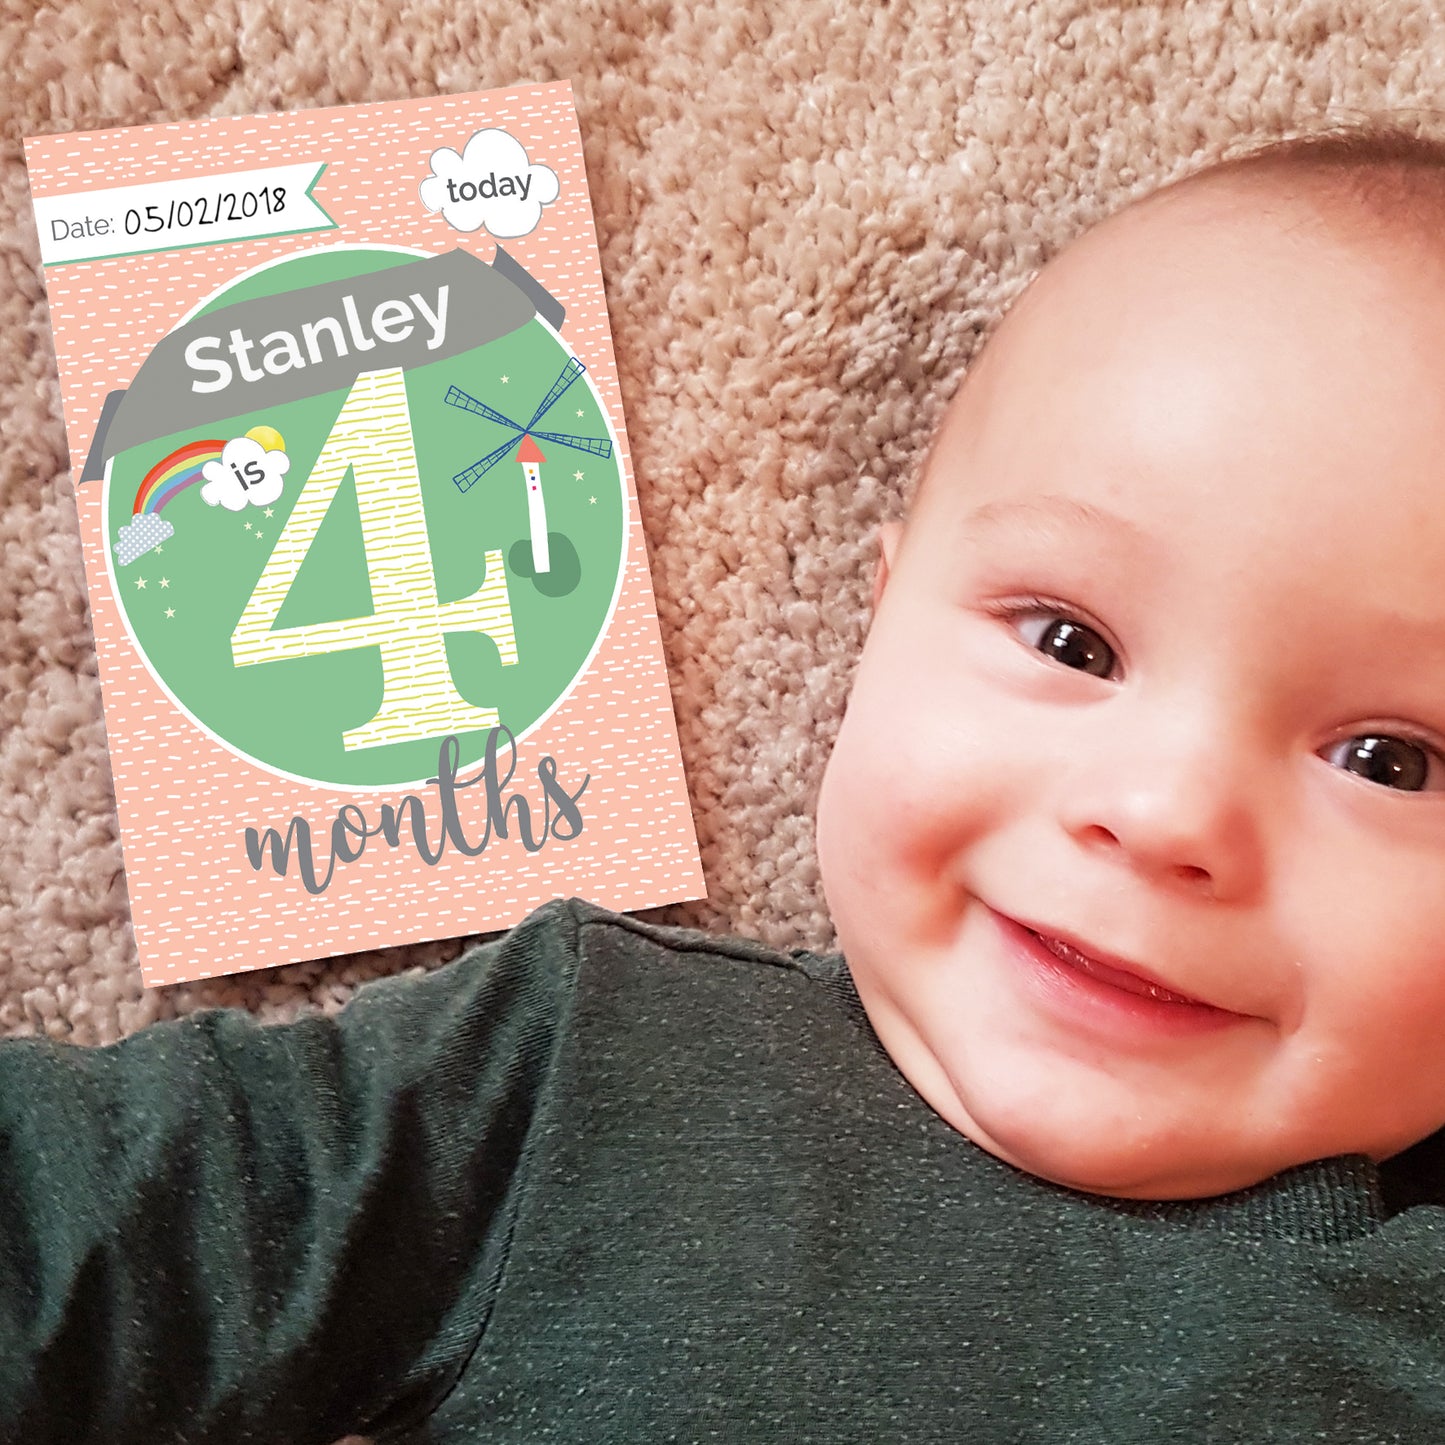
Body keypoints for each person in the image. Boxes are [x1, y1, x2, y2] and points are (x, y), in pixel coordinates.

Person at [6, 126, 1445, 1443]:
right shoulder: (585, 1072)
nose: (1162, 814)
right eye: (1070, 641)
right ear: (875, 625)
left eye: (1389, 760)